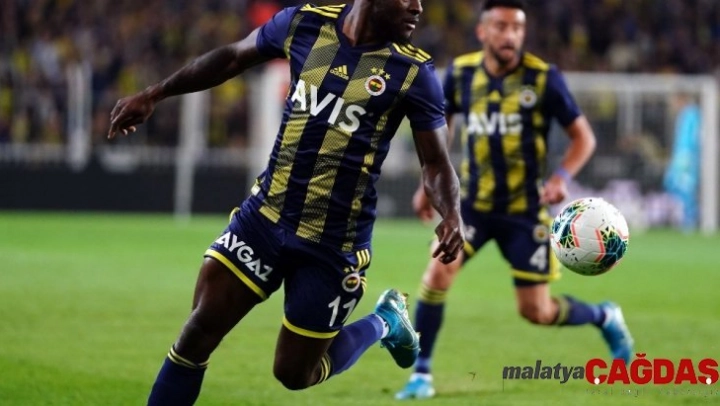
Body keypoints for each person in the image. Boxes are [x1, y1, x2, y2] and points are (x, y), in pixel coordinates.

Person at [107, 2, 464, 405]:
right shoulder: (305, 22)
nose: (418, 7)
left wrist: (452, 214)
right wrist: (156, 93)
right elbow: (233, 56)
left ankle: (384, 322)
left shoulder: (414, 72)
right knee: (197, 334)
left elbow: (436, 161)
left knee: (295, 373)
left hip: (333, 243)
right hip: (264, 218)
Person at [395, 0, 634, 400]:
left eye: (517, 28)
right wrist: (427, 184)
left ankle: (604, 316)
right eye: (502, 26)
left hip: (525, 213)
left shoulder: (543, 78)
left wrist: (560, 178)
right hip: (471, 207)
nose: (510, 35)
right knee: (436, 275)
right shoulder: (462, 73)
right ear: (482, 31)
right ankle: (421, 375)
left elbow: (584, 138)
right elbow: (440, 127)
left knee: (536, 312)